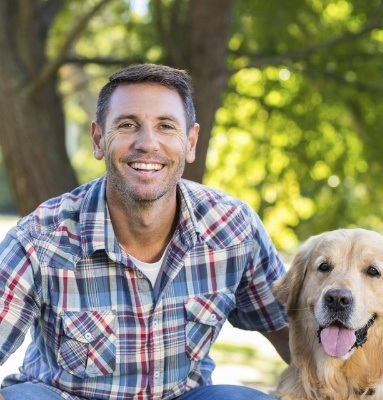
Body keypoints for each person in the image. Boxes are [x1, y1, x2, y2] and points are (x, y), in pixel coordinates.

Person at [0, 63, 290, 400]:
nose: (147, 143)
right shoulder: (40, 239)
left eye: (166, 126)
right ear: (98, 139)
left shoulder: (232, 228)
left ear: (191, 142)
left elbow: (293, 336)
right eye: (127, 125)